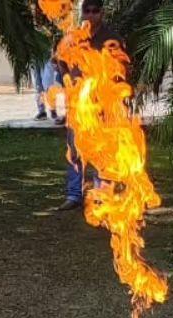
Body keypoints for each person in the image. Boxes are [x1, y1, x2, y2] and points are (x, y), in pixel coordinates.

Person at [58, 0, 125, 211]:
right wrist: (70, 82)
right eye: (87, 11)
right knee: (75, 148)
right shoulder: (73, 37)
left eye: (96, 11)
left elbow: (121, 69)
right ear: (82, 12)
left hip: (104, 102)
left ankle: (100, 195)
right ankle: (74, 194)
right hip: (78, 103)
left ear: (102, 13)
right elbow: (61, 62)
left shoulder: (111, 38)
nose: (91, 15)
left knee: (102, 150)